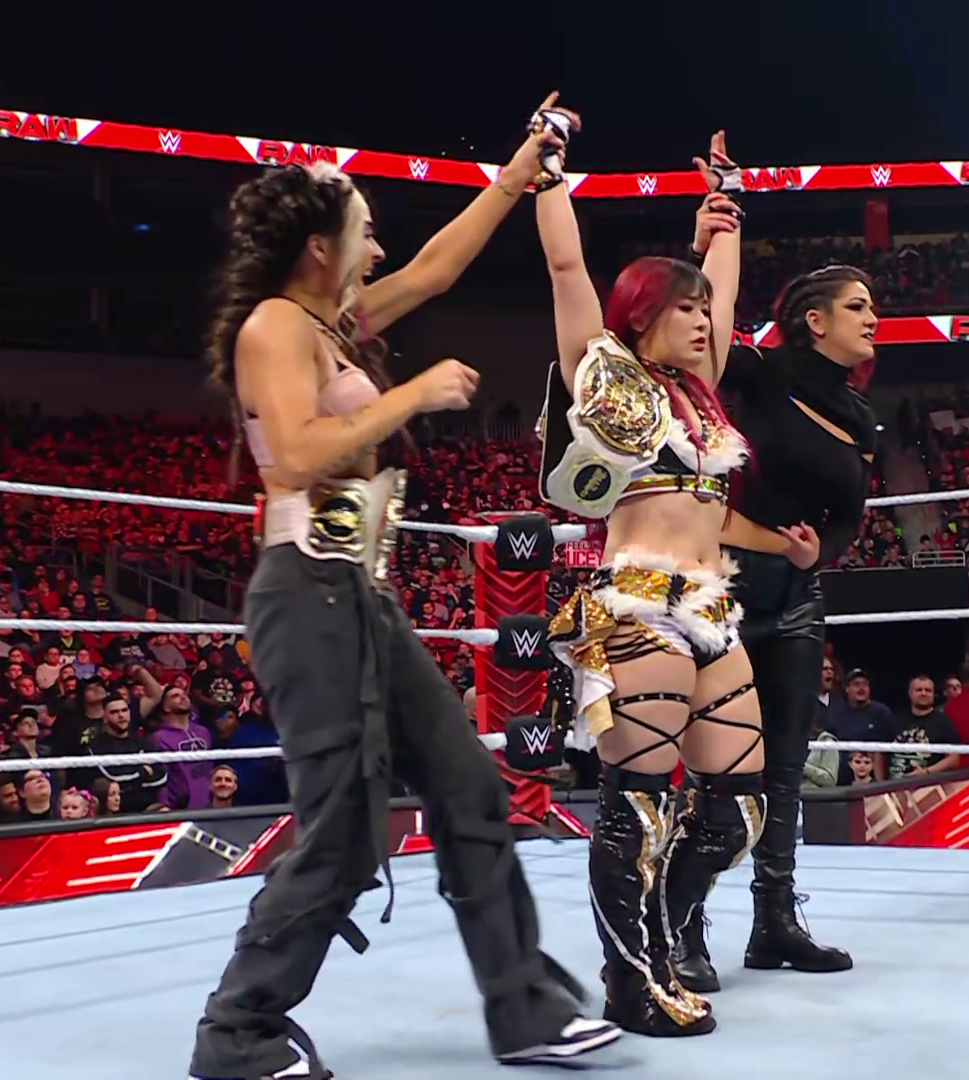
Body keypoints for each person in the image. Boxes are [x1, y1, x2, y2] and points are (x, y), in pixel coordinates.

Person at [187, 97, 618, 1080]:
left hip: (359, 593)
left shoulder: (328, 325)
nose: (377, 249)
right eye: (364, 231)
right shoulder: (273, 327)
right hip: (306, 589)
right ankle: (236, 1031)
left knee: (470, 788)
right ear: (318, 248)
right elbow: (296, 457)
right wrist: (412, 395)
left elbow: (434, 270)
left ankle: (525, 1008)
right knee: (343, 833)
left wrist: (519, 170)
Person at [535, 128, 760, 1037]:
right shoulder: (604, 370)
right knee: (638, 802)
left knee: (736, 810)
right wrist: (548, 173)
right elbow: (566, 268)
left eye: (705, 310)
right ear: (641, 313)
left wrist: (725, 204)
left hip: (711, 604)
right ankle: (630, 980)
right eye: (685, 309)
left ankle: (661, 936)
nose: (704, 321)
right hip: (638, 602)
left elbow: (725, 290)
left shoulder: (702, 389)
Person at [663, 250, 880, 993]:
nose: (873, 319)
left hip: (795, 597)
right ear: (815, 321)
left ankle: (775, 921)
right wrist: (713, 241)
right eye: (857, 307)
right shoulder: (756, 373)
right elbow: (699, 341)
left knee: (785, 769)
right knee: (716, 767)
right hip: (721, 588)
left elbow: (848, 516)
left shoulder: (859, 415)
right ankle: (682, 926)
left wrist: (824, 551)